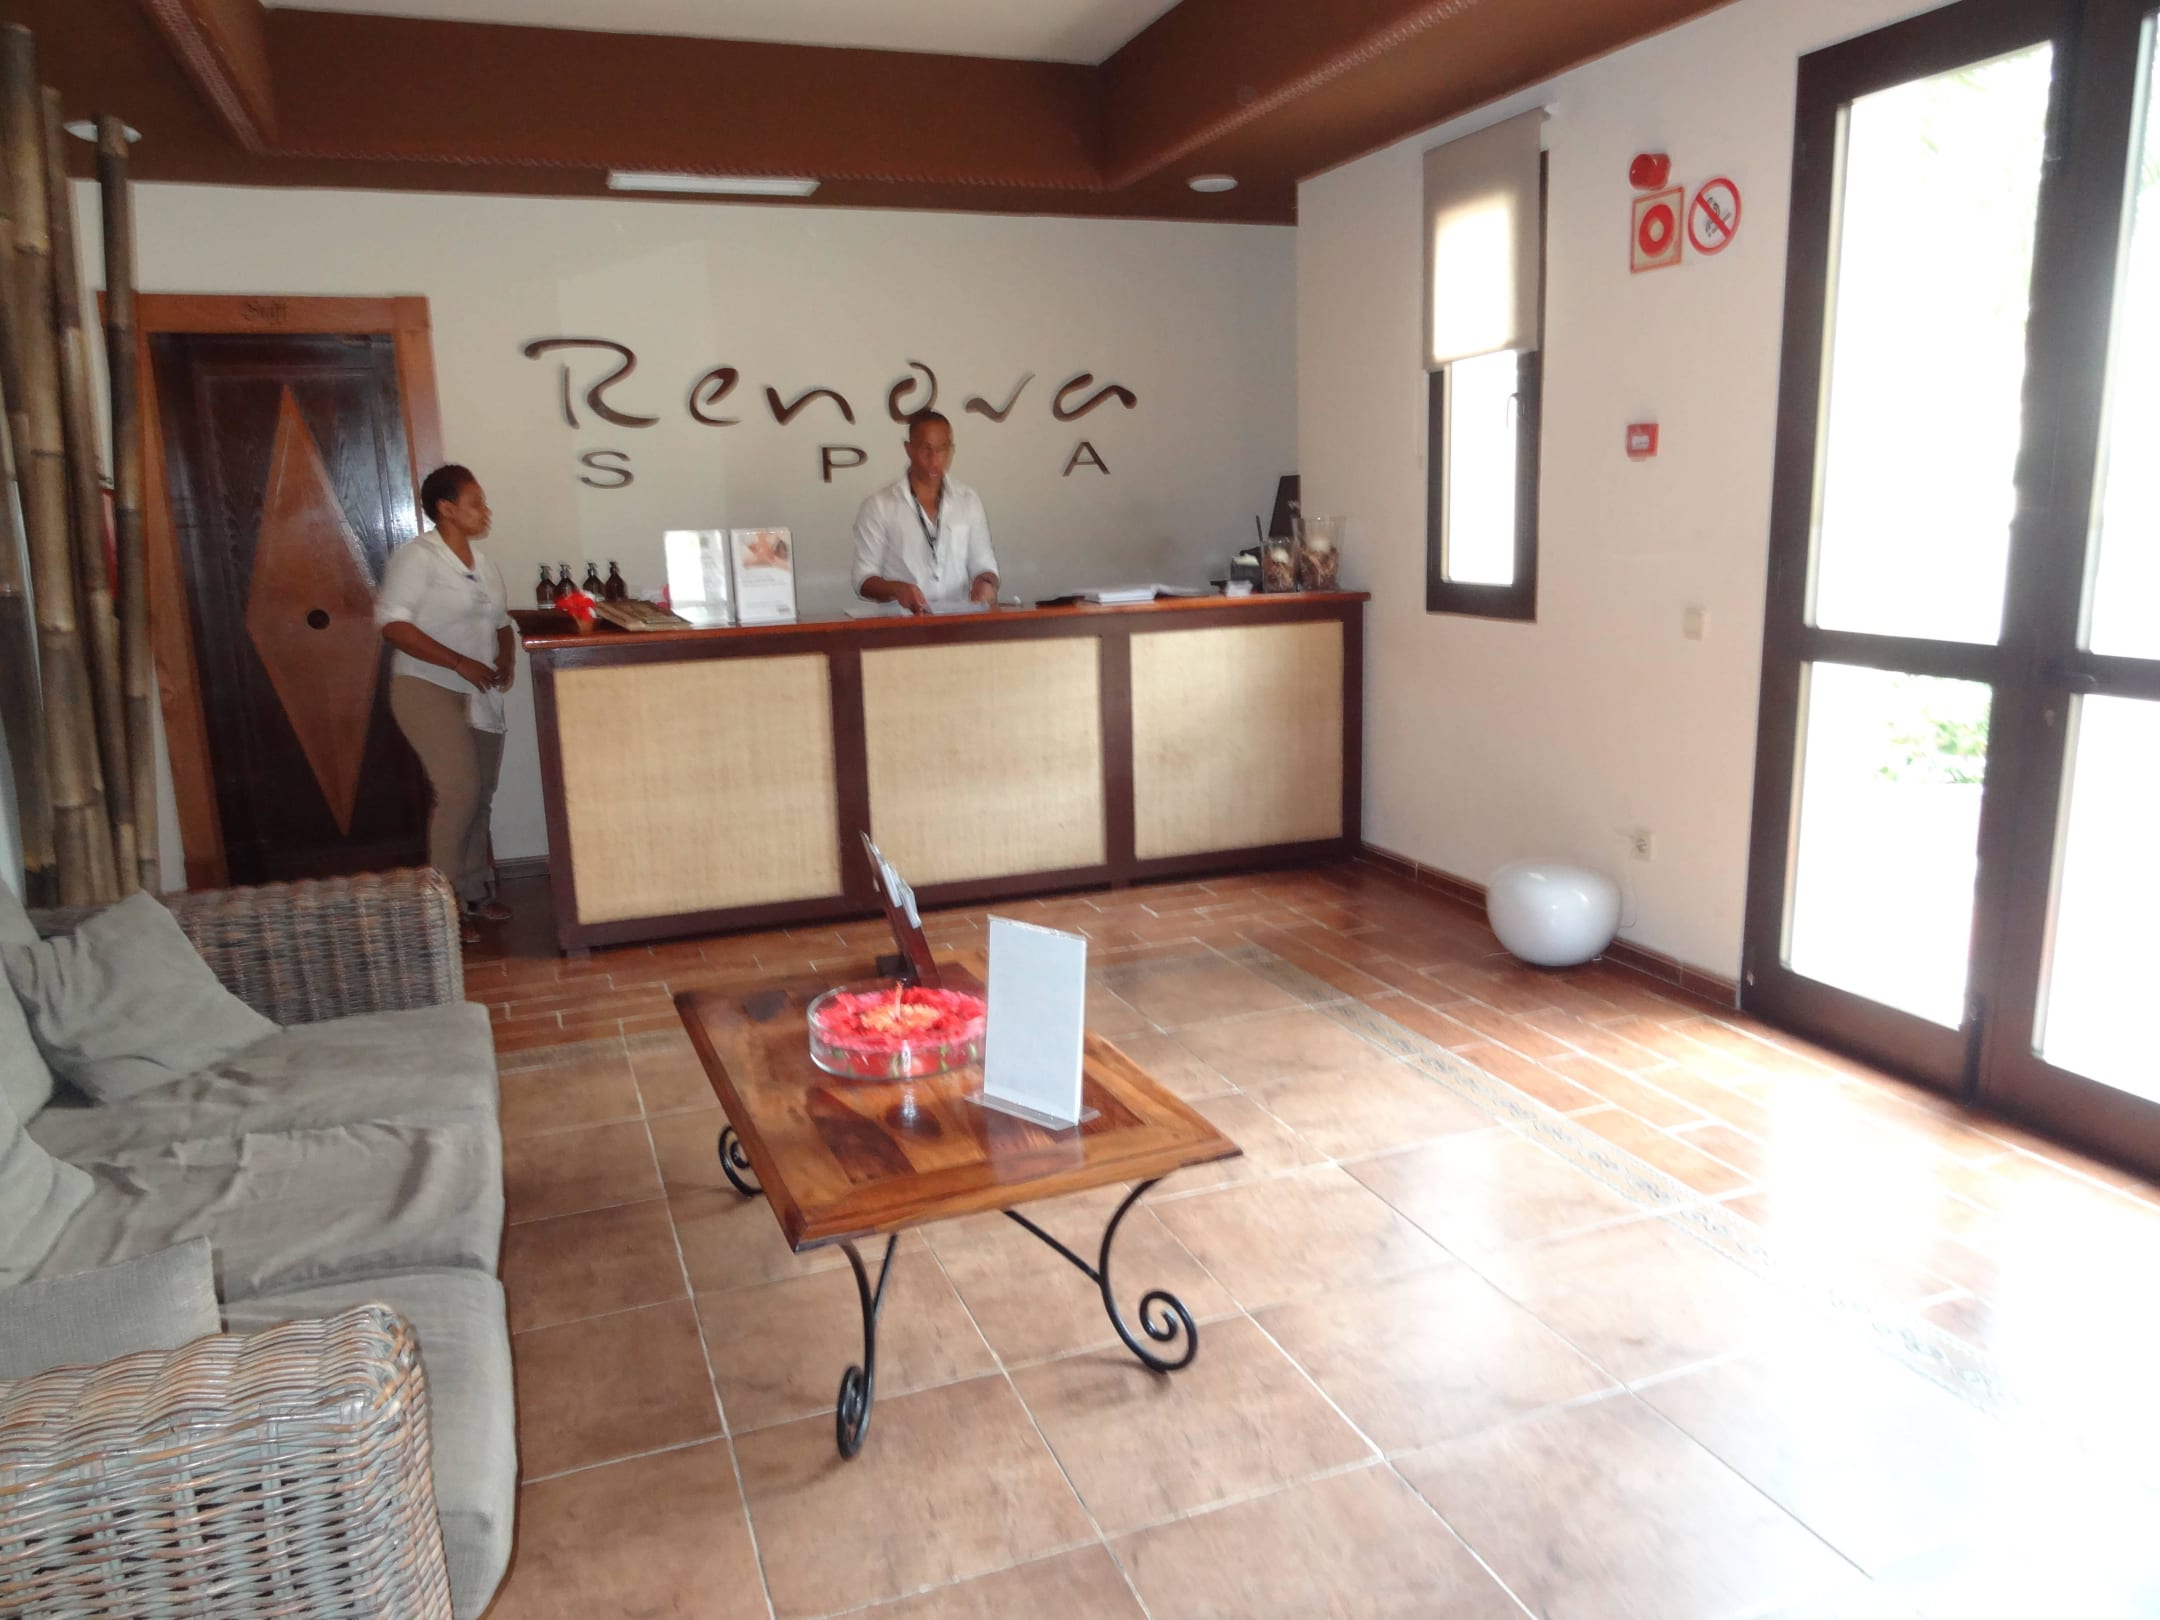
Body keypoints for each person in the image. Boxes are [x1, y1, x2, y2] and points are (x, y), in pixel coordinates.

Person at [376, 464, 515, 944]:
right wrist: (458, 662)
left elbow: (501, 623)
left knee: (481, 793)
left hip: (479, 689)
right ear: (446, 509)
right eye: (475, 503)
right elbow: (393, 625)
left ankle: (475, 891)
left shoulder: (484, 563)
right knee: (459, 790)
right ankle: (441, 906)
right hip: (426, 686)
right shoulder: (418, 557)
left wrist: (506, 659)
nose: (485, 511)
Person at [852, 410, 1000, 612]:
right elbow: (863, 579)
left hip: (960, 620)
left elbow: (984, 565)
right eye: (925, 449)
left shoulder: (968, 500)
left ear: (951, 450)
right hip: (903, 623)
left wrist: (986, 583)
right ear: (909, 449)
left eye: (941, 449)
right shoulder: (879, 506)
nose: (934, 459)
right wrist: (898, 590)